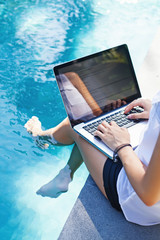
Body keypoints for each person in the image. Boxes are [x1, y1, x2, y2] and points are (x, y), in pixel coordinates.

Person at [25, 90, 160, 226]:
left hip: (137, 198)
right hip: (149, 169)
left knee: (75, 124)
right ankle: (65, 174)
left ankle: (40, 137)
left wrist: (122, 145)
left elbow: (148, 194)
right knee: (96, 123)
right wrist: (155, 114)